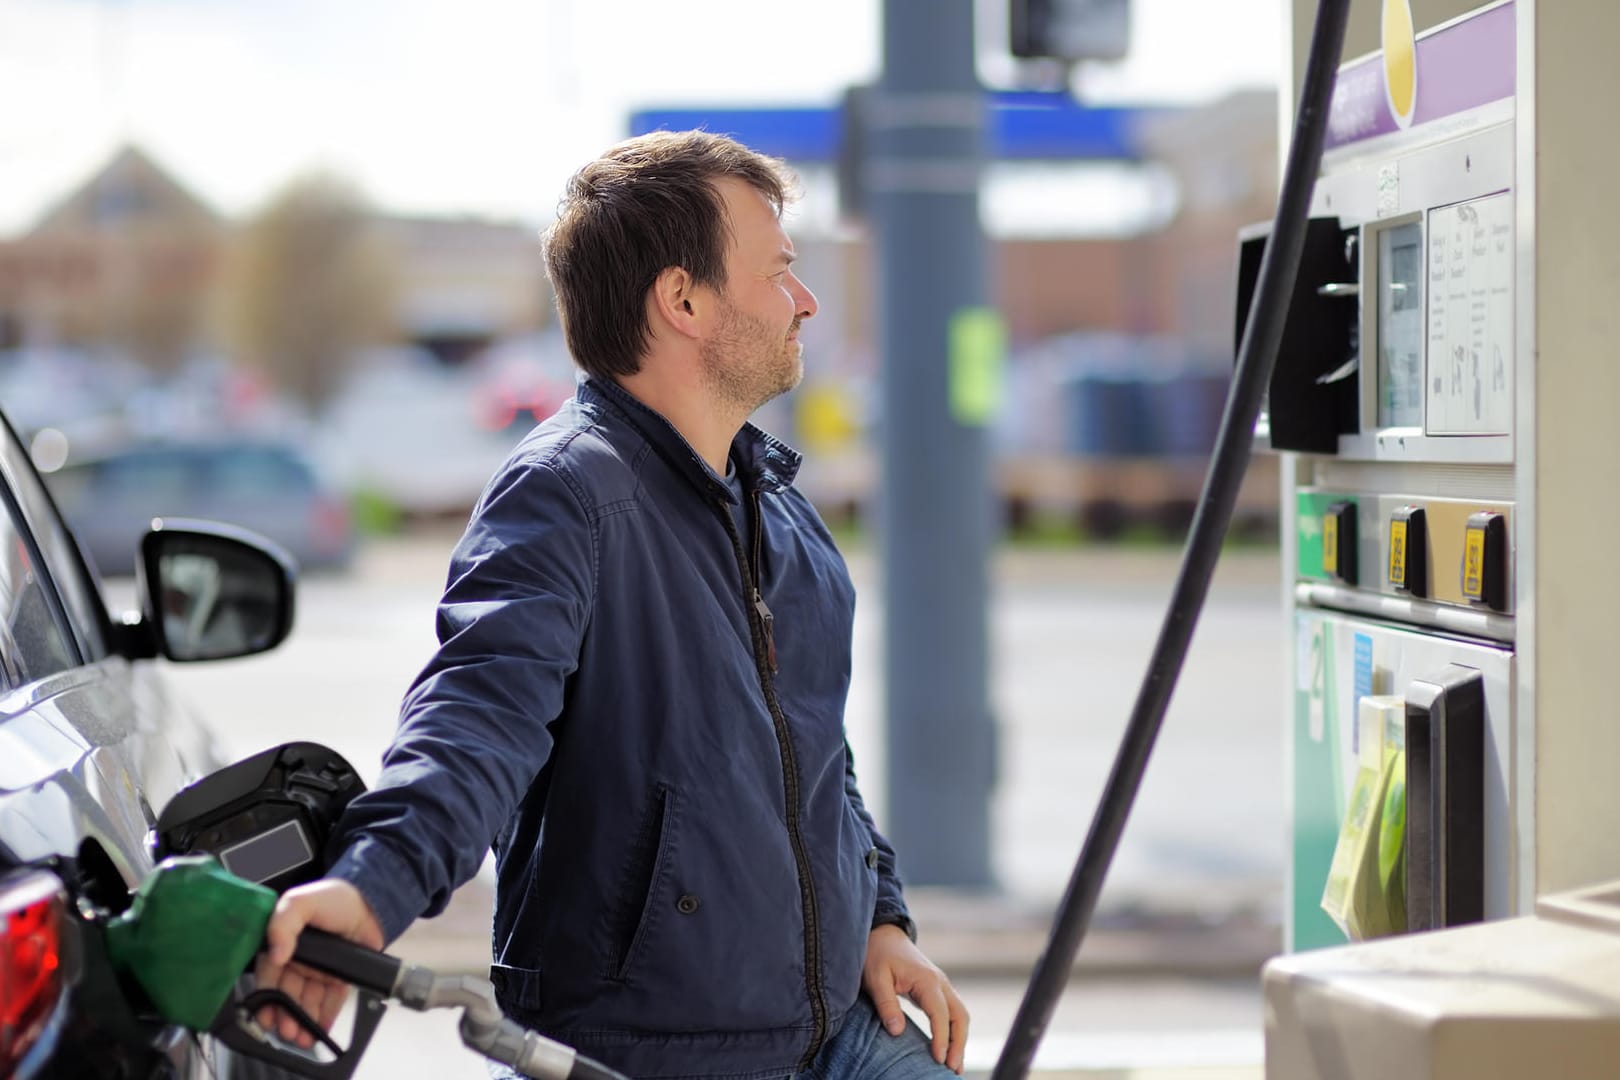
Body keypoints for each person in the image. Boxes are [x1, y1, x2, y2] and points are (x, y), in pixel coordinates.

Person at [256, 130, 969, 1080]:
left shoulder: (784, 513)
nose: (804, 302)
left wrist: (881, 918)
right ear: (682, 300)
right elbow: (476, 718)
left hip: (838, 1029)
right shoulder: (567, 494)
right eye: (780, 273)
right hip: (649, 1055)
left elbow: (817, 761)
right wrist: (371, 886)